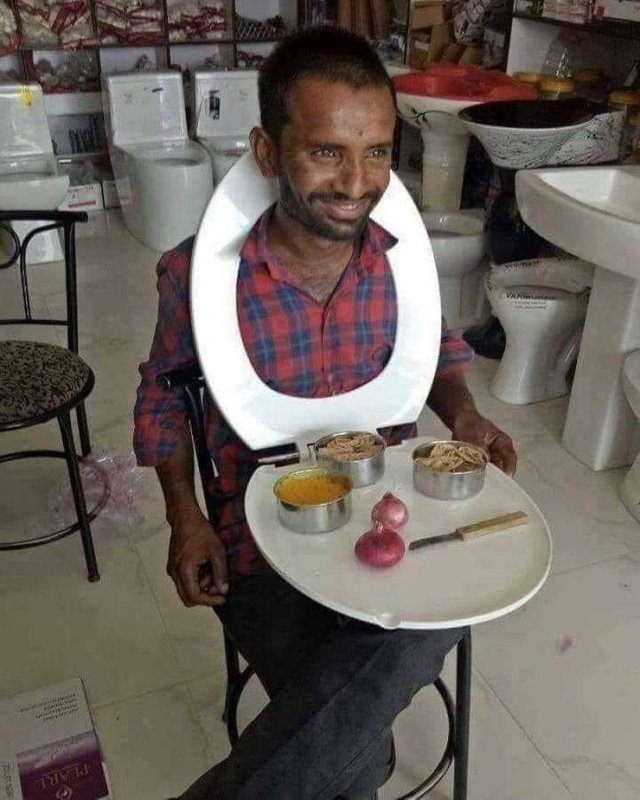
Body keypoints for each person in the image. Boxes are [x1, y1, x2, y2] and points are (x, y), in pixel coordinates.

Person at [134, 27, 516, 800]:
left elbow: (436, 350)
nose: (356, 182)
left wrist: (464, 415)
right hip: (262, 538)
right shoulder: (197, 274)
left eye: (376, 152)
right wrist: (185, 517)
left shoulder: (402, 261)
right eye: (325, 152)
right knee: (353, 756)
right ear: (267, 152)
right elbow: (163, 394)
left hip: (392, 510)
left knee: (432, 624)